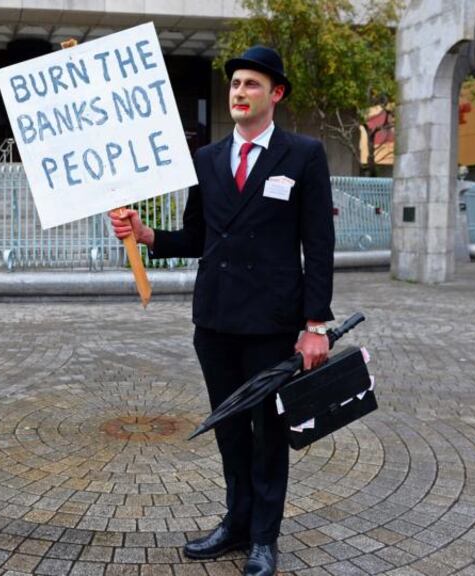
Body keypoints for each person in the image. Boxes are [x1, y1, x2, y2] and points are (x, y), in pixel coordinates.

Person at [110, 45, 334, 576]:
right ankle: (235, 524)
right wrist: (145, 235)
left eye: (252, 84)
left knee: (267, 430)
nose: (239, 92)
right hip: (214, 321)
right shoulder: (207, 159)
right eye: (235, 84)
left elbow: (318, 245)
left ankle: (263, 537)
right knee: (230, 428)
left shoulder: (304, 155)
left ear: (275, 94)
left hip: (272, 322)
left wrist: (314, 325)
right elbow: (197, 233)